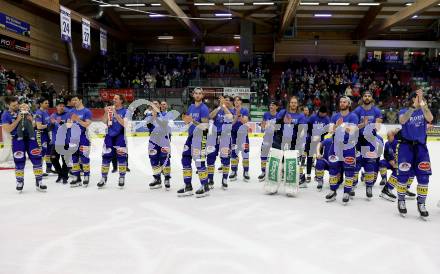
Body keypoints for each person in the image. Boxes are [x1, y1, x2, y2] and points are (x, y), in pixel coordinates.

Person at [395, 89, 433, 217]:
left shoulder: (424, 111)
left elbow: (430, 118)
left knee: (424, 176)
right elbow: (402, 121)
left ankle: (421, 203)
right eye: (417, 98)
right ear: (412, 99)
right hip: (406, 147)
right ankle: (401, 200)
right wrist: (413, 107)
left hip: (421, 147)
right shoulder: (403, 111)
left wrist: (423, 105)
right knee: (403, 176)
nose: (420, 100)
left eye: (422, 98)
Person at [1, 96, 46, 192]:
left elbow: (34, 125)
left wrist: (31, 120)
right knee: (19, 160)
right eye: (14, 105)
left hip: (31, 138)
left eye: (17, 104)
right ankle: (20, 181)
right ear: (8, 105)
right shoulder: (5, 115)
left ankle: (39, 181)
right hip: (18, 139)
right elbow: (8, 129)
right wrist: (17, 119)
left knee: (37, 158)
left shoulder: (24, 109)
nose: (17, 106)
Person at [325, 96, 359, 204]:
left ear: (348, 104)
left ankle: (347, 192)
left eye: (344, 102)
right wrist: (336, 125)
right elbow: (330, 130)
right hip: (335, 146)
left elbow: (352, 131)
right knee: (333, 169)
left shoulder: (353, 116)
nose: (342, 103)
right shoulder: (335, 116)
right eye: (341, 102)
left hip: (348, 147)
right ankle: (332, 190)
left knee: (349, 170)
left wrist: (342, 126)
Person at [178, 88, 210, 197]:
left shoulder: (204, 108)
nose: (197, 95)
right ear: (193, 95)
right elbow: (188, 121)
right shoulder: (191, 107)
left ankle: (205, 186)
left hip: (200, 138)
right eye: (196, 93)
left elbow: (205, 127)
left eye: (200, 93)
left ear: (202, 95)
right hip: (191, 137)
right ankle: (188, 186)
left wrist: (192, 121)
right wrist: (186, 121)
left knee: (199, 162)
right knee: (185, 159)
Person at [353, 90, 383, 199]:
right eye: (365, 96)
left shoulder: (376, 110)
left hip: (370, 139)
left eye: (369, 96)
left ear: (372, 98)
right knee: (356, 162)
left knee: (370, 163)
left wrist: (376, 124)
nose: (366, 97)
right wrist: (363, 124)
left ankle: (369, 186)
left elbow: (378, 127)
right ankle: (352, 185)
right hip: (358, 139)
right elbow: (354, 126)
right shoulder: (357, 110)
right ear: (362, 98)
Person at [271, 96, 308, 186]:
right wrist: (282, 122)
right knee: (281, 159)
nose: (293, 104)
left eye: (295, 102)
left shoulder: (301, 115)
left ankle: (300, 178)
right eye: (292, 102)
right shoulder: (283, 112)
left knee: (293, 161)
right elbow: (276, 125)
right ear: (289, 103)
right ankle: (280, 176)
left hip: (293, 141)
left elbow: (302, 130)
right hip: (281, 140)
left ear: (297, 104)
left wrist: (291, 123)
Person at [97, 94, 128, 188]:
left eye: (116, 98)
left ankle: (122, 177)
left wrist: (115, 113)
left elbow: (124, 124)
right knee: (106, 157)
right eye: (113, 98)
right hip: (109, 136)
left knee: (122, 157)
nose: (113, 100)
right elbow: (103, 121)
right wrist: (106, 113)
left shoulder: (126, 111)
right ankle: (103, 178)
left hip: (120, 137)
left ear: (121, 101)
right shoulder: (109, 109)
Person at [379, 129, 415, 202]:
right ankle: (386, 188)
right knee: (397, 169)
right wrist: (390, 160)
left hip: (400, 163)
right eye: (387, 136)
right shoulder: (389, 143)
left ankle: (405, 188)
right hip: (393, 163)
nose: (387, 138)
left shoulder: (400, 143)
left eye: (389, 136)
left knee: (410, 170)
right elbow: (386, 154)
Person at [207, 96, 233, 189]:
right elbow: (210, 116)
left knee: (225, 159)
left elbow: (230, 117)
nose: (225, 101)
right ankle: (210, 179)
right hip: (214, 136)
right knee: (210, 158)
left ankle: (224, 179)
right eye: (223, 100)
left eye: (227, 100)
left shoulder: (231, 110)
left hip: (225, 137)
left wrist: (224, 106)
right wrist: (219, 107)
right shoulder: (217, 110)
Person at [147, 100, 173, 190]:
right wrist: (154, 115)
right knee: (153, 160)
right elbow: (149, 126)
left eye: (156, 104)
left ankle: (167, 178)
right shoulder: (149, 116)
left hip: (164, 140)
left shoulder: (166, 115)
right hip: (153, 140)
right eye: (153, 104)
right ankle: (157, 179)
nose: (154, 105)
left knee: (165, 159)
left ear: (160, 106)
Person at [68, 95, 92, 187]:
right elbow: (68, 124)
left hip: (83, 138)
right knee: (74, 159)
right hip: (73, 138)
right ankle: (76, 177)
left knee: (84, 158)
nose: (74, 101)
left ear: (80, 100)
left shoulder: (86, 111)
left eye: (76, 100)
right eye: (72, 100)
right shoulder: (71, 111)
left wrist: (78, 120)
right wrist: (69, 123)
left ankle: (86, 176)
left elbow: (87, 125)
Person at [307, 106, 330, 185]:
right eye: (321, 113)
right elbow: (308, 127)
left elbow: (327, 130)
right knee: (309, 157)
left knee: (319, 157)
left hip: (320, 141)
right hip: (311, 140)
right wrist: (313, 135)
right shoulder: (313, 117)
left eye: (324, 114)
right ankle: (308, 175)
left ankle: (317, 175)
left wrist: (320, 134)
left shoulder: (327, 119)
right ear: (319, 112)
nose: (322, 115)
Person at [49, 98, 70, 184]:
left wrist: (57, 122)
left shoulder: (68, 115)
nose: (61, 107)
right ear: (56, 107)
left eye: (63, 105)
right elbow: (49, 128)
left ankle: (65, 177)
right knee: (53, 158)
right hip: (56, 142)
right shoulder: (53, 115)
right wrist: (52, 123)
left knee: (65, 160)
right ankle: (60, 174)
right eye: (60, 105)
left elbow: (68, 125)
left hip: (65, 141)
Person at [229, 96, 250, 181]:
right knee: (234, 153)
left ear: (241, 102)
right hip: (234, 135)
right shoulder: (231, 111)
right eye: (235, 100)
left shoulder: (245, 110)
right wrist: (236, 117)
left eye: (238, 100)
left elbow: (245, 121)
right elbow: (231, 124)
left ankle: (246, 172)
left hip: (243, 135)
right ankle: (234, 171)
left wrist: (239, 116)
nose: (236, 102)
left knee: (245, 153)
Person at [258, 101, 278, 181]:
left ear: (276, 107)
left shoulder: (279, 115)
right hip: (267, 137)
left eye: (273, 105)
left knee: (275, 155)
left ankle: (275, 173)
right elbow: (263, 126)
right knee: (263, 154)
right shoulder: (266, 114)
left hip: (276, 138)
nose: (271, 106)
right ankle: (263, 172)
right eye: (270, 105)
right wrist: (263, 126)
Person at [34, 98, 54, 176]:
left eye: (48, 103)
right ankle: (39, 170)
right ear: (41, 104)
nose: (47, 104)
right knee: (42, 152)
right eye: (45, 103)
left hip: (46, 134)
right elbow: (39, 126)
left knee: (49, 151)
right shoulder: (38, 113)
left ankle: (48, 168)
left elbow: (48, 122)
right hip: (40, 134)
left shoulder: (46, 111)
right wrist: (48, 125)